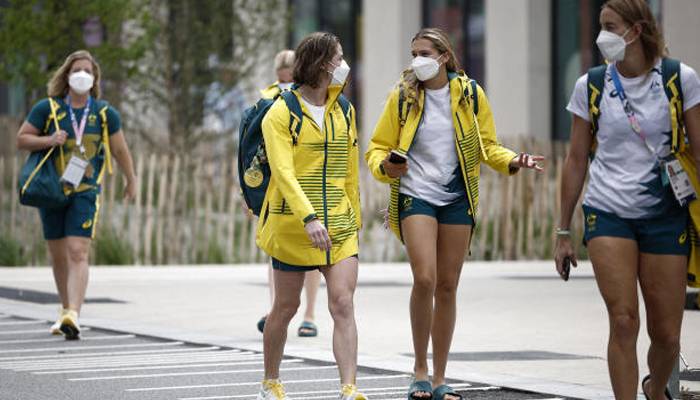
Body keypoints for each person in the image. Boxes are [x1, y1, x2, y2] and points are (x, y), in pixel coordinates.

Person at [365, 28, 543, 400]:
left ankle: (441, 376)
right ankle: (419, 370)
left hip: (458, 197)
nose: (417, 60)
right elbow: (377, 147)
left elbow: (486, 146)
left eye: (424, 53)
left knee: (447, 286)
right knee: (425, 279)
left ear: (444, 56)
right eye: (413, 53)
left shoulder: (471, 95)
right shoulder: (403, 97)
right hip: (416, 194)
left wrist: (512, 159)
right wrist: (385, 166)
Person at [554, 0, 700, 398]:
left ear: (635, 30)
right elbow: (575, 159)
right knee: (623, 321)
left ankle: (654, 388)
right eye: (600, 24)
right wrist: (563, 230)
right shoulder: (592, 84)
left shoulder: (678, 79)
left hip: (665, 212)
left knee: (668, 334)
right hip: (608, 212)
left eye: (610, 25)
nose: (602, 35)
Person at [255, 32, 365, 400]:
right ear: (321, 63)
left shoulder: (344, 109)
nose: (343, 65)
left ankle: (349, 388)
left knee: (343, 303)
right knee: (286, 308)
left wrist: (356, 219)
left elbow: (350, 169)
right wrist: (308, 218)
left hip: (340, 222)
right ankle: (270, 381)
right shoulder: (281, 112)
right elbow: (283, 172)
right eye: (339, 57)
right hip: (293, 224)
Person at [16, 50, 137, 340]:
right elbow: (22, 139)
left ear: (94, 78)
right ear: (66, 76)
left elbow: (120, 150)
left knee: (78, 251)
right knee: (58, 255)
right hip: (52, 192)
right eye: (76, 70)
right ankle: (65, 309)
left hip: (86, 191)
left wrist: (130, 178)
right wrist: (49, 139)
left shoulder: (105, 113)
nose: (82, 74)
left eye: (87, 70)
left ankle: (74, 314)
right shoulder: (48, 109)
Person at [256, 49, 322, 338]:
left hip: (307, 181)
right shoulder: (266, 99)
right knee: (277, 252)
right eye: (281, 82)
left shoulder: (314, 99)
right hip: (275, 185)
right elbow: (254, 149)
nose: (286, 88)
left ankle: (309, 314)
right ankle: (276, 308)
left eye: (289, 81)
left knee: (312, 253)